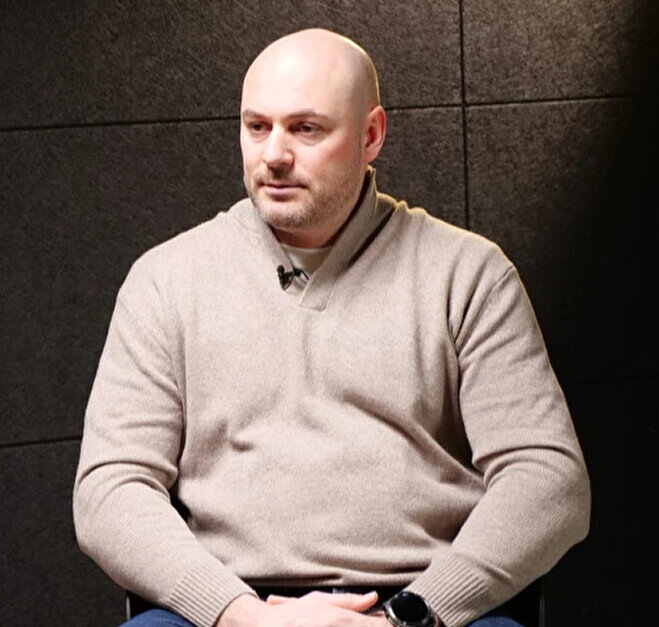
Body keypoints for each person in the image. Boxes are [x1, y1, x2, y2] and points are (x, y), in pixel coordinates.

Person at [73, 28, 590, 627]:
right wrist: (244, 616)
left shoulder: (469, 274)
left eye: (306, 129)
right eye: (257, 127)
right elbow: (110, 490)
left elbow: (548, 479)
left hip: (424, 605)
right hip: (226, 608)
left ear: (371, 135)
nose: (274, 154)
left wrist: (411, 616)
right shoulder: (165, 281)